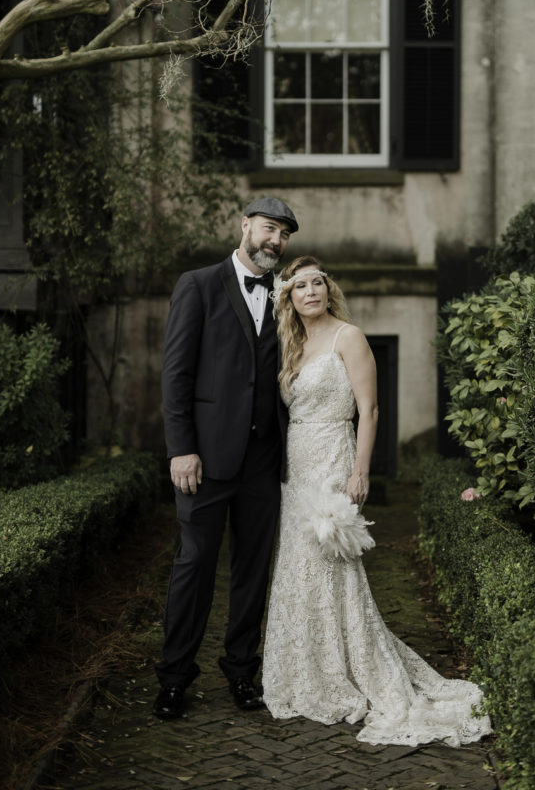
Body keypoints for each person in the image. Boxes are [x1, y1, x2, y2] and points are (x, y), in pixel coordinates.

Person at [262, 256, 492, 747]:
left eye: (318, 282)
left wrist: (360, 469)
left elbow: (369, 409)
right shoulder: (290, 343)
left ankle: (353, 666)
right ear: (289, 297)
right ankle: (309, 673)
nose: (311, 291)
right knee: (299, 564)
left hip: (335, 456)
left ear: (329, 288)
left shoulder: (350, 337)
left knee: (331, 561)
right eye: (300, 286)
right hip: (297, 461)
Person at [153, 197, 299, 720]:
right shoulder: (197, 285)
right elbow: (176, 376)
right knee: (194, 566)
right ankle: (174, 677)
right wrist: (181, 449)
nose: (275, 241)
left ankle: (242, 670)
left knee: (252, 571)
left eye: (283, 235)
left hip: (263, 461)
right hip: (206, 461)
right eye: (268, 229)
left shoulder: (285, 295)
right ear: (244, 227)